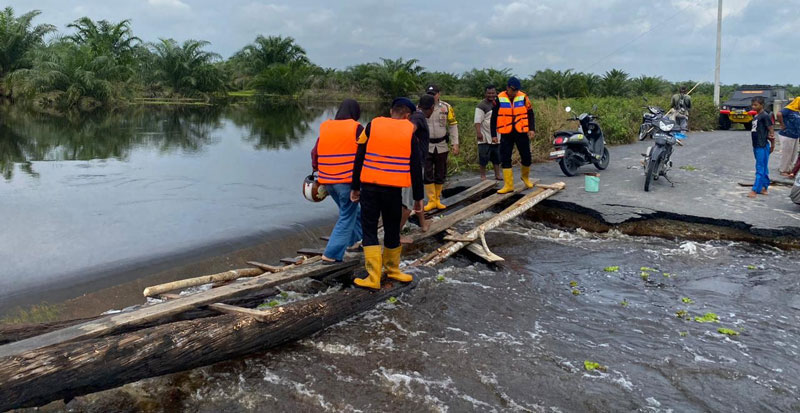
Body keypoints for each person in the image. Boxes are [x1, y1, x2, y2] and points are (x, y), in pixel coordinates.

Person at [350, 98, 424, 290]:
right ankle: (392, 270)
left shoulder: (372, 126)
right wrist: (418, 198)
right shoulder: (409, 133)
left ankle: (373, 276)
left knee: (369, 229)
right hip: (393, 191)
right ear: (408, 116)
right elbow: (416, 167)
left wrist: (355, 186)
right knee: (392, 228)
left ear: (391, 111)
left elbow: (360, 157)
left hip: (370, 188)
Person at [311, 99, 364, 263]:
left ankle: (355, 242)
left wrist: (316, 169)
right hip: (347, 181)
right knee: (347, 215)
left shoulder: (326, 127)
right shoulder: (357, 128)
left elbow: (315, 153)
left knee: (353, 212)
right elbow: (364, 154)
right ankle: (331, 254)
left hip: (327, 181)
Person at [399, 94, 435, 243]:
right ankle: (397, 233)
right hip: (411, 165)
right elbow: (408, 130)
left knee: (418, 196)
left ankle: (423, 224)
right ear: (432, 108)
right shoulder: (418, 117)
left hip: (416, 163)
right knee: (406, 203)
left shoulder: (416, 115)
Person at [490, 76, 535, 193]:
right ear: (507, 88)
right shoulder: (499, 99)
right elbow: (493, 118)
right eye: (513, 90)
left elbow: (530, 114)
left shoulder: (523, 97)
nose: (514, 92)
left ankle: (525, 177)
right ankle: (508, 185)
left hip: (521, 132)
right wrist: (493, 134)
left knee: (527, 157)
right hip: (506, 133)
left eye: (516, 90)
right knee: (505, 158)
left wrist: (532, 129)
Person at [423, 84, 459, 212]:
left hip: (442, 144)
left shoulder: (446, 107)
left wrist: (455, 143)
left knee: (440, 172)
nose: (432, 96)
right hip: (426, 145)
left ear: (439, 94)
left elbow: (453, 125)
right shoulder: (421, 107)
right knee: (427, 172)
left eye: (434, 94)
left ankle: (437, 199)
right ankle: (431, 200)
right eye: (429, 94)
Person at [748, 96, 775, 198]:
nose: (753, 106)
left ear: (761, 105)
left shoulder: (765, 116)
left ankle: (755, 189)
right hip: (756, 145)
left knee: (760, 167)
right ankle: (764, 186)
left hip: (762, 145)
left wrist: (772, 144)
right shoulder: (756, 116)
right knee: (763, 167)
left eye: (756, 105)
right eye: (753, 104)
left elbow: (771, 129)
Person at [475, 85, 501, 180]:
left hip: (497, 135)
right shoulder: (481, 105)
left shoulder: (498, 103)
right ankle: (483, 176)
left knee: (497, 158)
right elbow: (477, 121)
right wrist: (478, 133)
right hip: (485, 136)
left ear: (496, 93)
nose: (491, 95)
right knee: (483, 157)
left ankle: (497, 175)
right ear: (485, 94)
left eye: (493, 93)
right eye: (489, 93)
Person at [775, 97, 800, 177]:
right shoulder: (788, 109)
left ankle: (790, 170)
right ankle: (783, 170)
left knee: (793, 153)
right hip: (787, 134)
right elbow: (779, 114)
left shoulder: (797, 111)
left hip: (795, 135)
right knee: (786, 153)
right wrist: (782, 125)